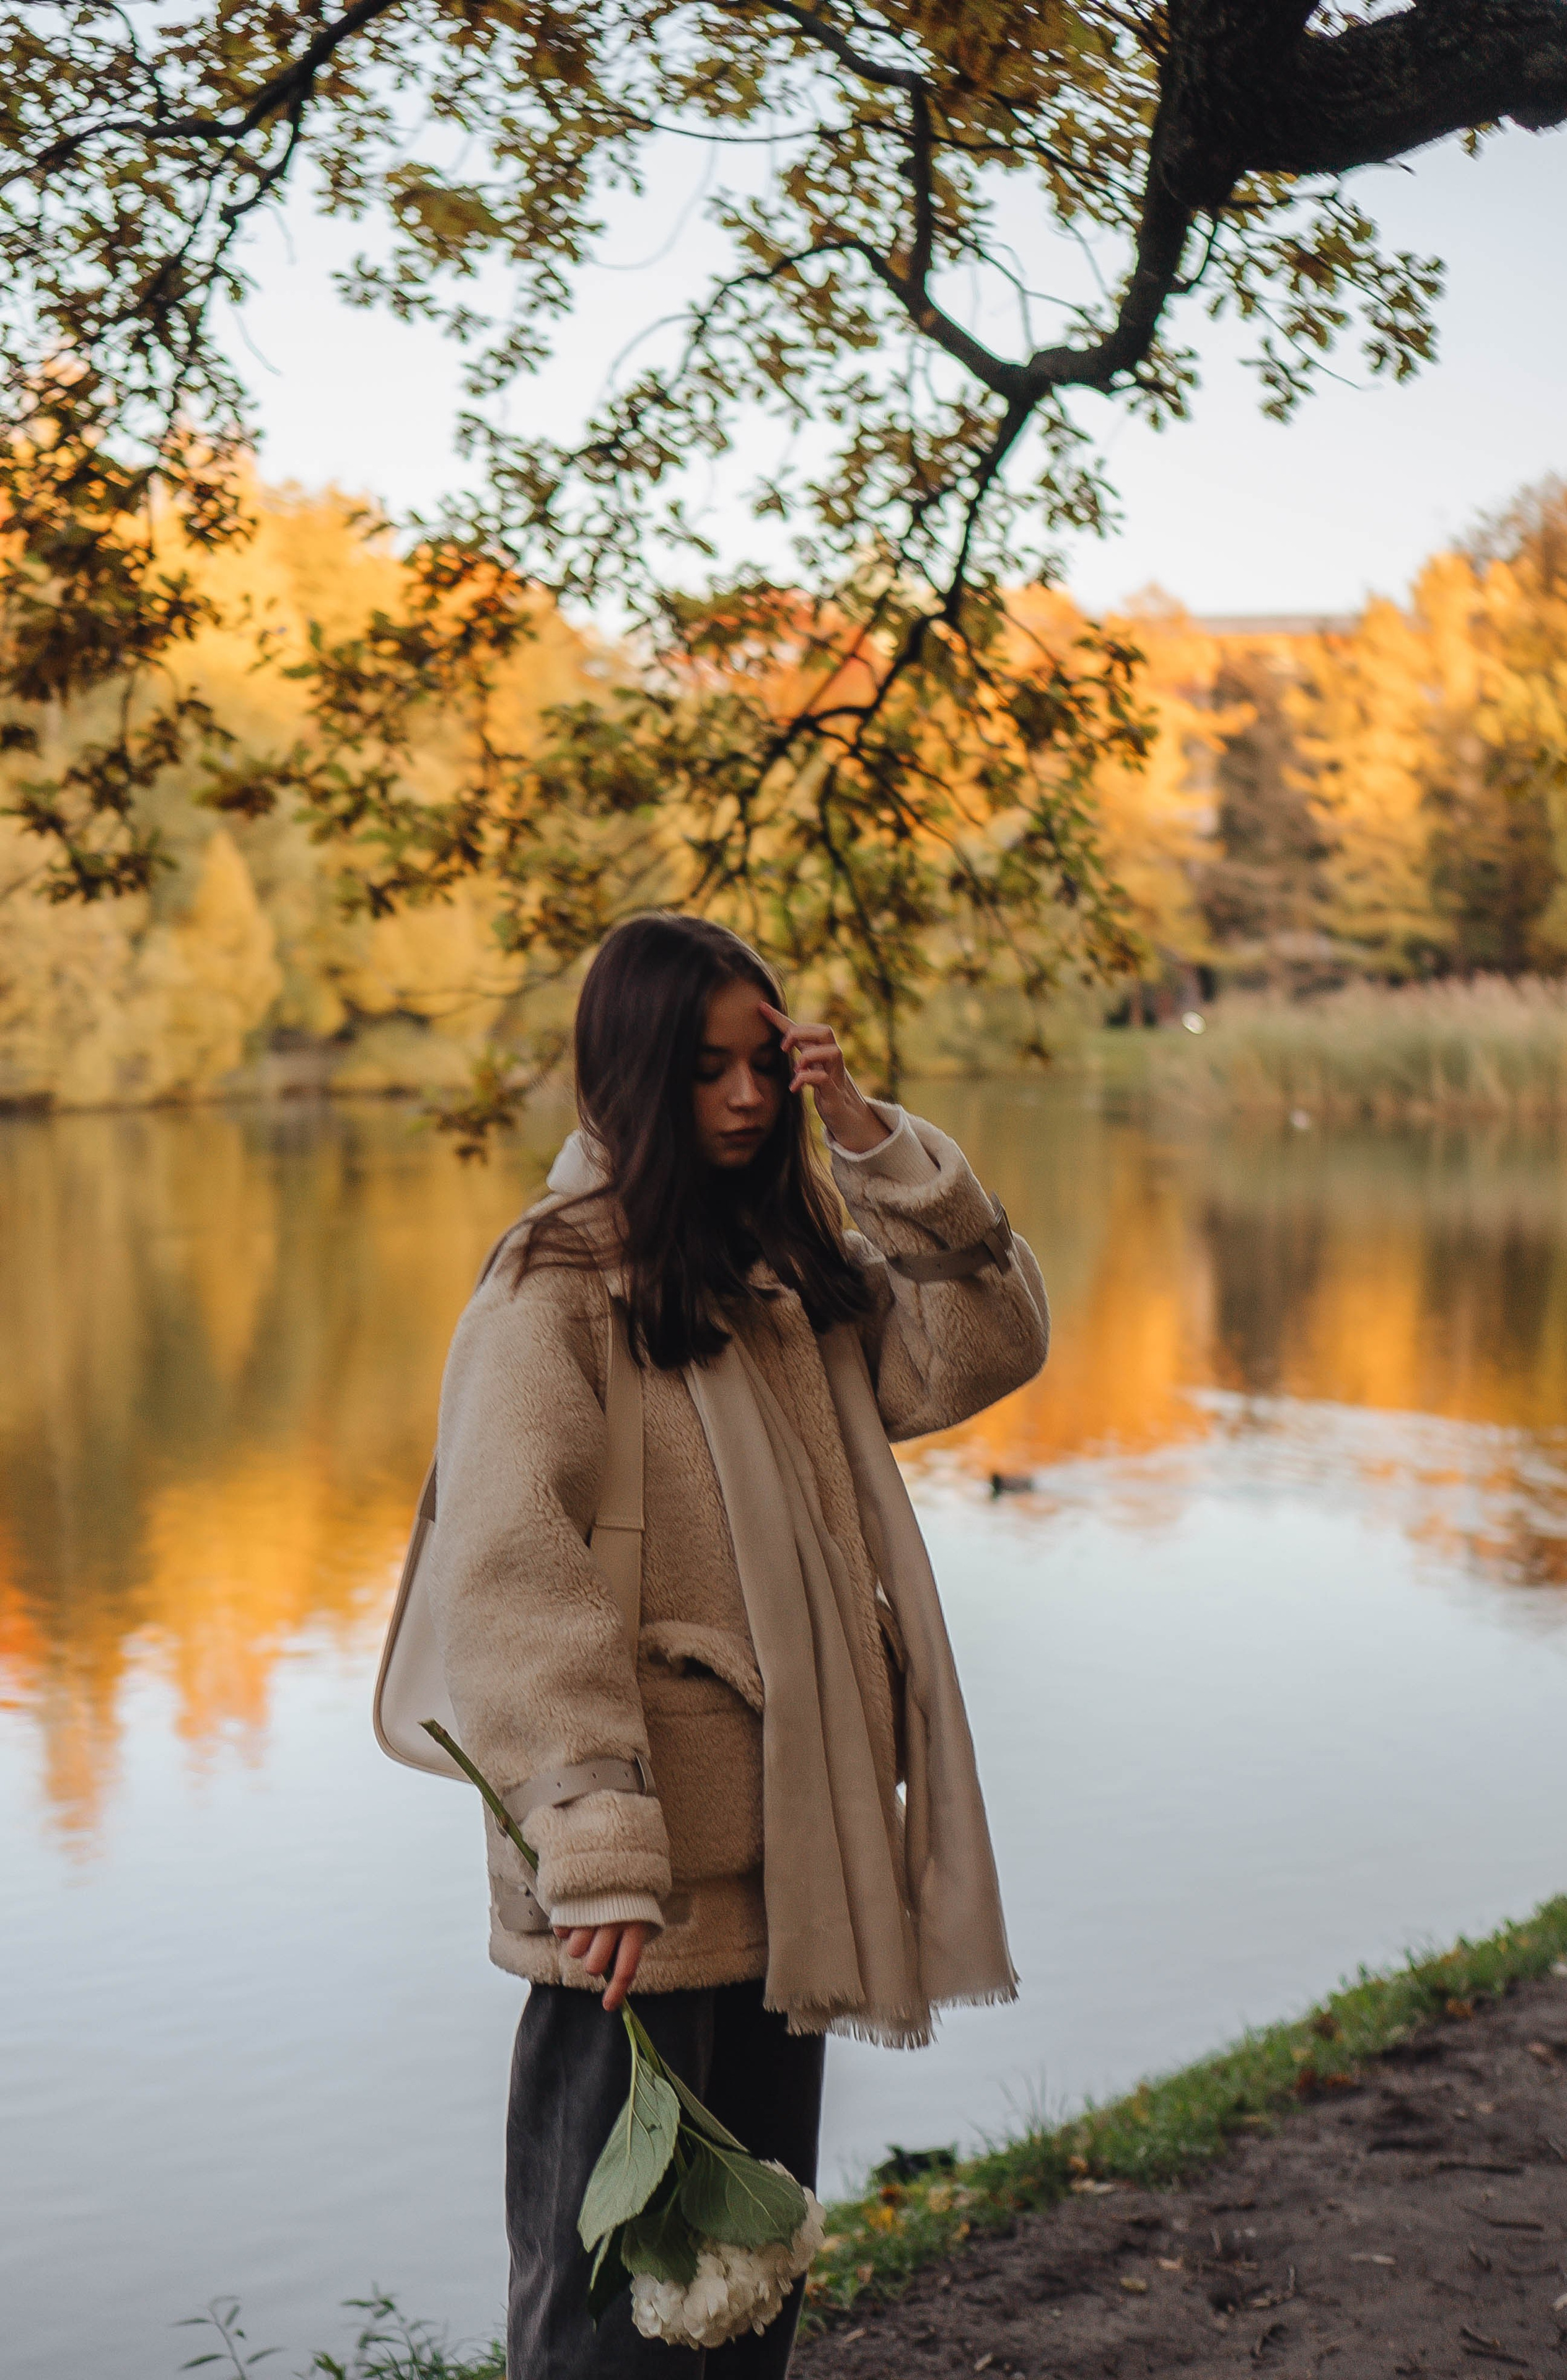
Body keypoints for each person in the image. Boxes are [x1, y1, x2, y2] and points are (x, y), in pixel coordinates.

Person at [427, 912, 1050, 2379]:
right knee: (602, 2322)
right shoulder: (553, 1284)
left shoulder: (783, 1267)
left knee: (748, 2289)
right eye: (707, 1070)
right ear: (630, 1078)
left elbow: (984, 1347)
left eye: (763, 1063)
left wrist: (874, 1142)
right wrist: (592, 1843)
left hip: (786, 1860)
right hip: (632, 1894)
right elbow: (510, 1572)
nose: (747, 1098)